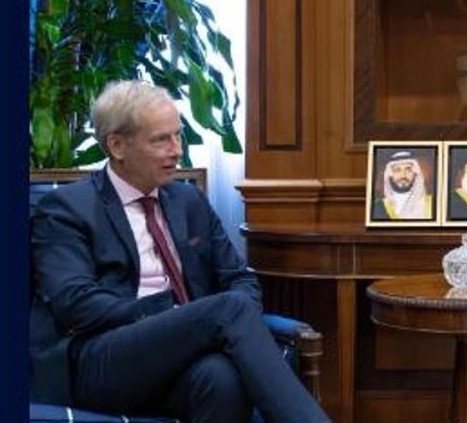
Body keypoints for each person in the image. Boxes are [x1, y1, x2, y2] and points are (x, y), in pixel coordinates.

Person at [29, 81, 330, 423]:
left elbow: (239, 279)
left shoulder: (188, 201)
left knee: (222, 379)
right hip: (99, 358)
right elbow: (76, 303)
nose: (177, 150)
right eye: (161, 140)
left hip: (179, 354)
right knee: (228, 310)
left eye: (178, 135)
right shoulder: (68, 208)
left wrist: (194, 324)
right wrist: (170, 314)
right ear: (117, 145)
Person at [371, 150, 434, 220]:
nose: (403, 175)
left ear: (415, 173)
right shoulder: (379, 207)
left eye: (408, 169)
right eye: (397, 170)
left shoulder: (431, 204)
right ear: (390, 174)